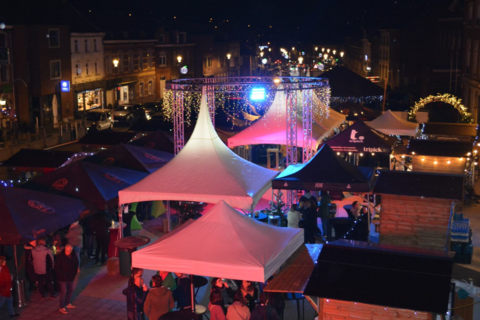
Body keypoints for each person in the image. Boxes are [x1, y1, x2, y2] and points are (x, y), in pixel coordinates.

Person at [54, 244, 79, 314]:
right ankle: (61, 306)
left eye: (69, 251)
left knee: (70, 290)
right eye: (66, 250)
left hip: (70, 277)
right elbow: (57, 268)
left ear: (71, 250)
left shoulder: (73, 256)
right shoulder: (60, 257)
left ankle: (67, 303)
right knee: (64, 291)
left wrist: (74, 274)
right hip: (63, 278)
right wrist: (62, 275)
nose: (67, 252)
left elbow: (76, 265)